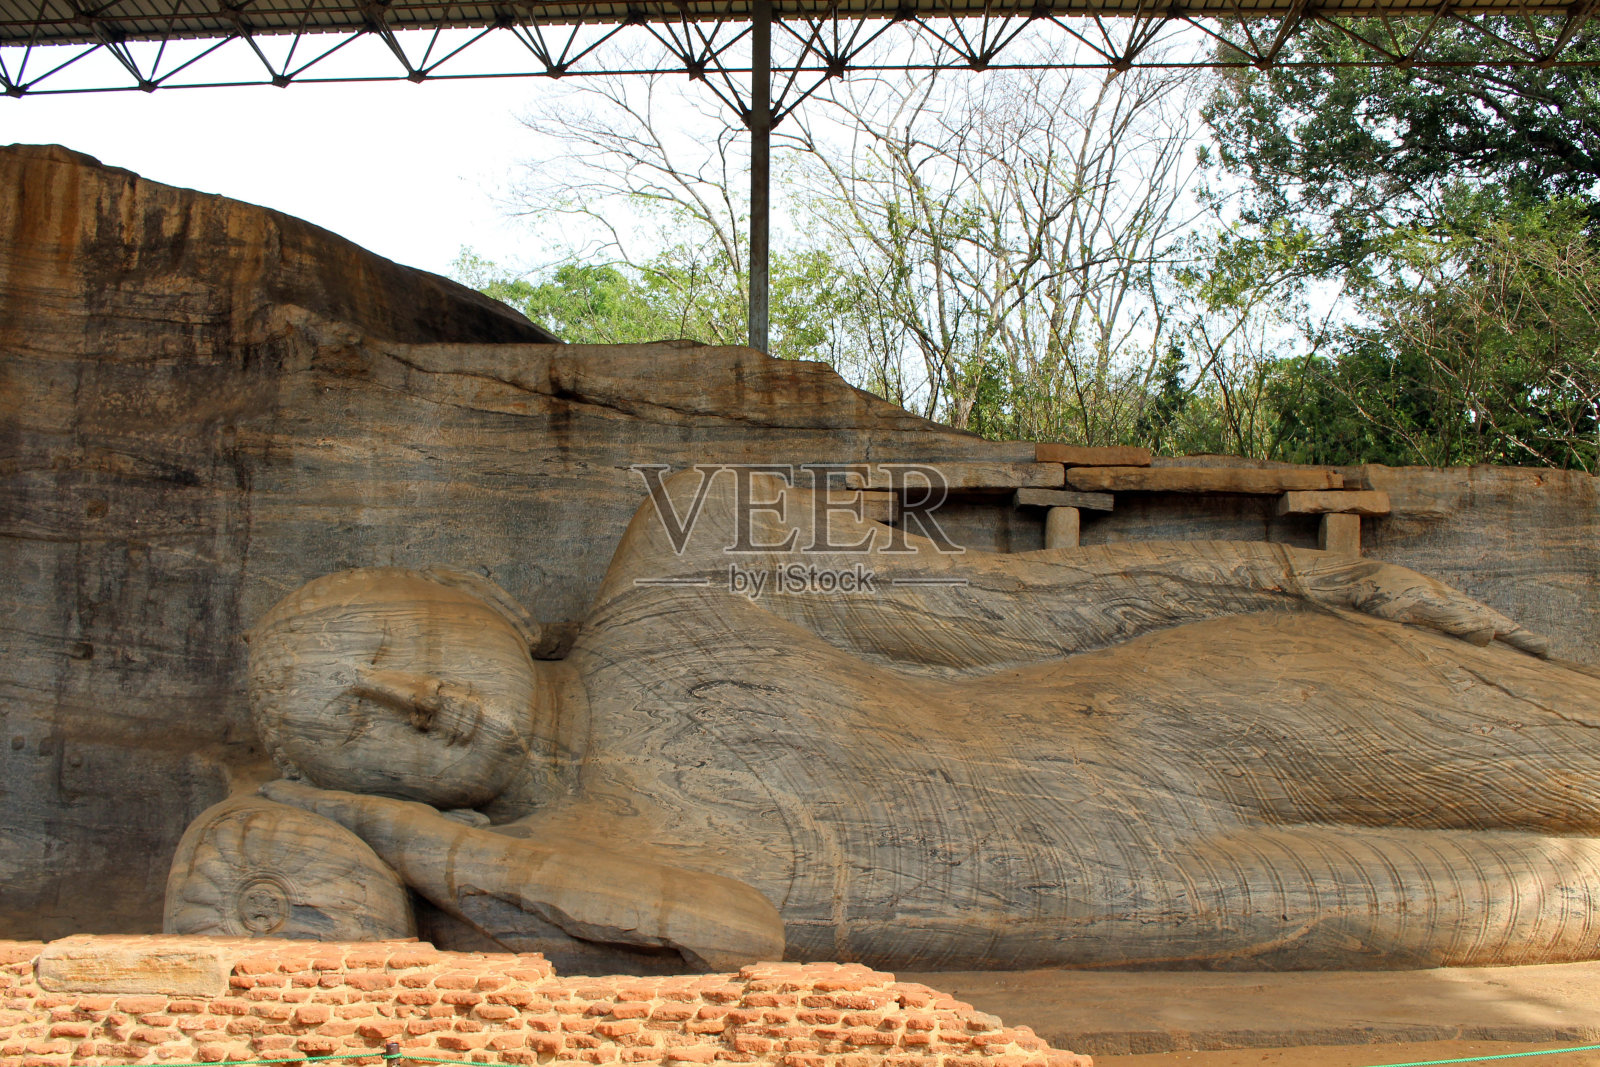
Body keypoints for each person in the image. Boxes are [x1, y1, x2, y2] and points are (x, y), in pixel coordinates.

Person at [169, 470, 1600, 972]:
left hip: (1201, 712)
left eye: (392, 644)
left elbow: (1037, 608)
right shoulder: (562, 881)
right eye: (347, 723)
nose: (409, 696)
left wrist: (1309, 578)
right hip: (1172, 890)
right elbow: (734, 933)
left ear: (466, 590)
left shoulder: (684, 547)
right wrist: (371, 827)